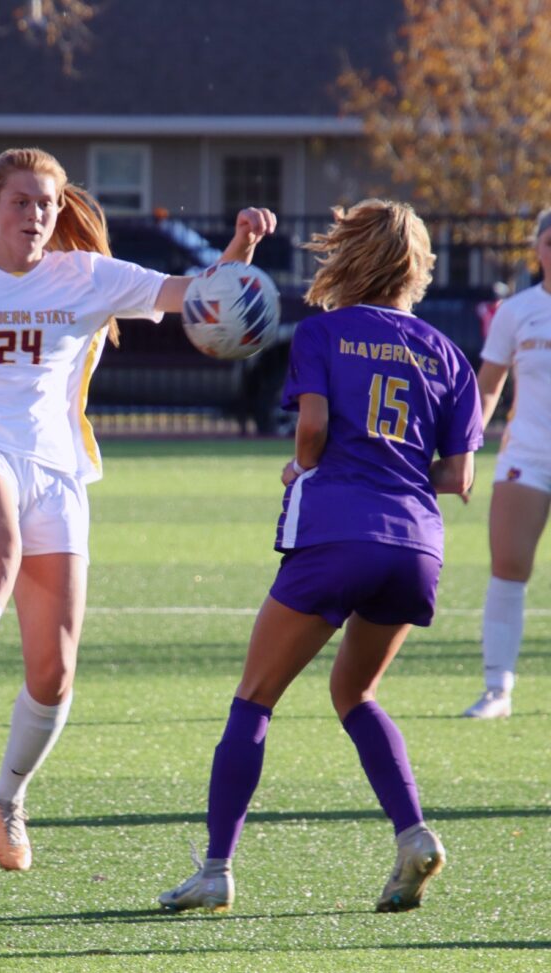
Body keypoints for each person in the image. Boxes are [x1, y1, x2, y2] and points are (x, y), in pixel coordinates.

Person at [0, 146, 276, 871]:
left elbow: (194, 296)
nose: (35, 215)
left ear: (61, 213)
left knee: (53, 671)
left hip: (55, 468)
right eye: (21, 201)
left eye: (47, 204)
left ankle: (7, 797)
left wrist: (241, 249)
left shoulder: (88, 277)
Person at [158, 199, 483, 915]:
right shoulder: (449, 354)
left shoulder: (325, 332)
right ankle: (413, 833)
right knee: (355, 693)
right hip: (416, 545)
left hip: (336, 531)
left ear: (349, 255)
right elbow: (459, 478)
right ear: (417, 266)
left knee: (254, 697)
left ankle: (216, 868)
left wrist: (303, 467)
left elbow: (312, 429)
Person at [462, 208, 551, 719]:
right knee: (509, 567)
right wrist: (466, 447)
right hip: (528, 457)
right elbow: (490, 383)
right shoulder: (518, 311)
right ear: (538, 249)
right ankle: (498, 688)